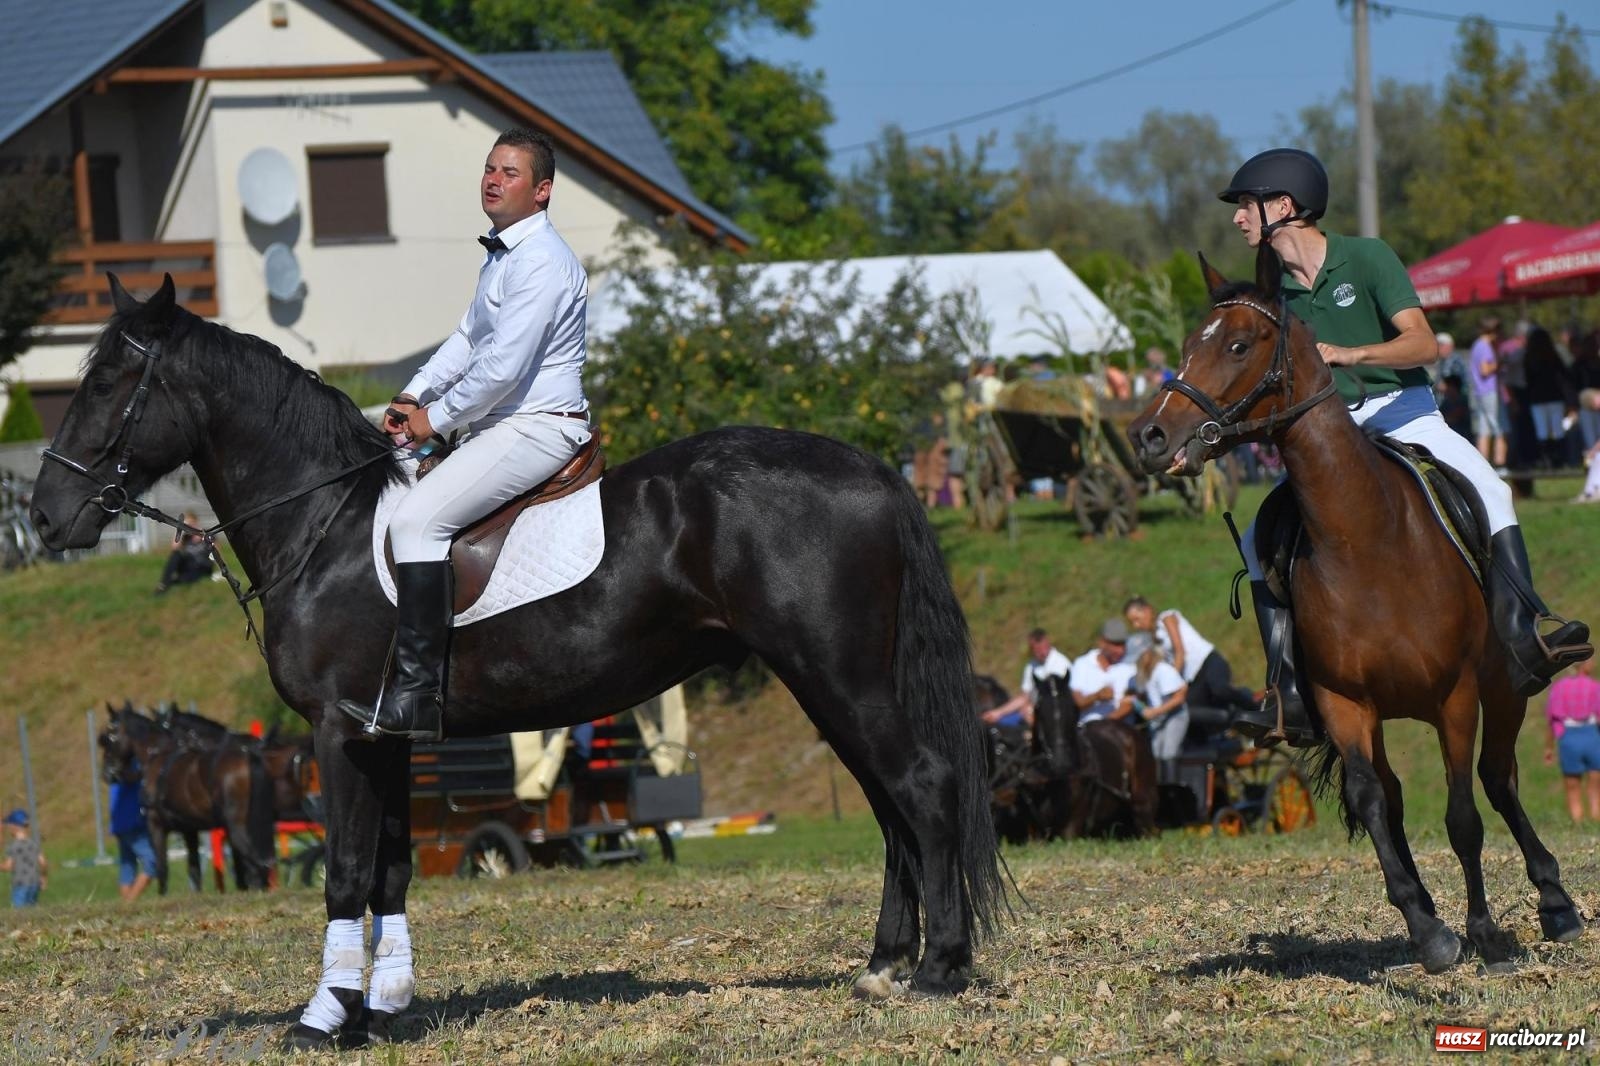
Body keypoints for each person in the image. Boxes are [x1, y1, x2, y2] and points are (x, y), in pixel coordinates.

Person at [1219, 147, 1590, 745]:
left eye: (1245, 205)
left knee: (1492, 487)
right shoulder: (1275, 291)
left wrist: (1350, 354)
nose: (1238, 218)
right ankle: (1286, 688)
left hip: (1404, 411)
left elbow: (1424, 346)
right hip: (1332, 437)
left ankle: (1525, 630)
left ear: (1283, 207)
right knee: (1254, 537)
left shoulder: (1366, 257)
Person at [337, 127, 593, 742]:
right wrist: (412, 394)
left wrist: (434, 420)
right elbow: (466, 341)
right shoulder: (503, 256)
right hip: (501, 424)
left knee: (416, 524)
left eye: (509, 172)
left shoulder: (542, 261)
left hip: (536, 427)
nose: (493, 179)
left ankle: (418, 697)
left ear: (542, 191)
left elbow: (503, 369)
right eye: (489, 168)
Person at [1122, 596, 1255, 716]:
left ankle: (1254, 705)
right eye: (1132, 623)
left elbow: (1180, 650)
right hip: (1193, 676)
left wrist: (1173, 679)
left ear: (1147, 610)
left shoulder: (1167, 618)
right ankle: (1229, 724)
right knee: (1189, 711)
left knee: (1220, 689)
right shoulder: (1152, 639)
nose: (1136, 625)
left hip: (1208, 662)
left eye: (1137, 620)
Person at [1543, 658, 1600, 823]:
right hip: (1592, 737)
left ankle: (1578, 822)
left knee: (1572, 787)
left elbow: (1552, 719)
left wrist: (1549, 748)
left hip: (1569, 738)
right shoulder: (1595, 687)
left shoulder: (1559, 687)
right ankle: (1595, 822)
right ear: (1584, 665)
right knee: (1595, 786)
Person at [985, 628, 1072, 729]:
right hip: (1031, 711)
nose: (1043, 653)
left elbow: (1057, 699)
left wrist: (1031, 709)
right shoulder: (1031, 666)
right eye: (1038, 650)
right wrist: (998, 713)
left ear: (1048, 643)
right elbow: (1024, 697)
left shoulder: (1060, 664)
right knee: (997, 724)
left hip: (1054, 713)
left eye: (1045, 648)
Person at [1122, 639, 1189, 762]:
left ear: (1147, 653)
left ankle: (1172, 779)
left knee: (1168, 753)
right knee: (1155, 753)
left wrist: (1156, 712)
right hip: (1159, 718)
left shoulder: (1163, 670)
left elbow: (1179, 697)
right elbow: (1147, 696)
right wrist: (1134, 701)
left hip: (1175, 715)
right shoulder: (1144, 674)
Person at [1524, 327, 1576, 469]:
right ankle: (1559, 459)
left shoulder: (1529, 358)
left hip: (1537, 400)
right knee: (1557, 429)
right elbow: (1563, 377)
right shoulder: (1553, 357)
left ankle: (1547, 460)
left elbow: (1528, 381)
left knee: (1542, 431)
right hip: (1554, 398)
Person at [1069, 619, 1136, 725]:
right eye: (1116, 645)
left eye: (1123, 645)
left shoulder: (1130, 668)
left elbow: (1129, 704)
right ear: (1102, 643)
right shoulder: (1082, 664)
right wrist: (1097, 696)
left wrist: (1104, 724)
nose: (1121, 651)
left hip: (1119, 730)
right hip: (1087, 730)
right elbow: (1078, 702)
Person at [110, 763, 155, 901]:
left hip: (119, 822)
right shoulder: (132, 764)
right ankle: (129, 903)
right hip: (132, 822)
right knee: (153, 862)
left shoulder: (115, 765)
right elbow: (134, 776)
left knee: (127, 866)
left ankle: (125, 905)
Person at [1469, 317, 1508, 472]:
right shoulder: (1485, 346)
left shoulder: (1476, 345)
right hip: (1489, 390)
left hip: (1479, 392)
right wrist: (1499, 363)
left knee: (1484, 429)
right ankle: (1501, 464)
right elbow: (1485, 370)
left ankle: (1482, 465)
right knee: (1500, 427)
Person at [154, 512, 212, 594]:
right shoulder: (185, 537)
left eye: (191, 524)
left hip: (202, 566)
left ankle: (168, 584)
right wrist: (180, 530)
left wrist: (200, 535)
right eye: (187, 525)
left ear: (196, 523)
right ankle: (163, 583)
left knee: (186, 579)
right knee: (176, 554)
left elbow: (217, 551)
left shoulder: (206, 535)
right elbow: (174, 548)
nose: (189, 527)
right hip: (188, 564)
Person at [2, 809, 45, 908]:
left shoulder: (13, 846)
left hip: (20, 884)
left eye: (9, 825)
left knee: (19, 914)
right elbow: (43, 863)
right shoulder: (33, 843)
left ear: (14, 826)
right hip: (34, 883)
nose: (8, 828)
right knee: (32, 912)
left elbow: (8, 866)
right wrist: (43, 877)